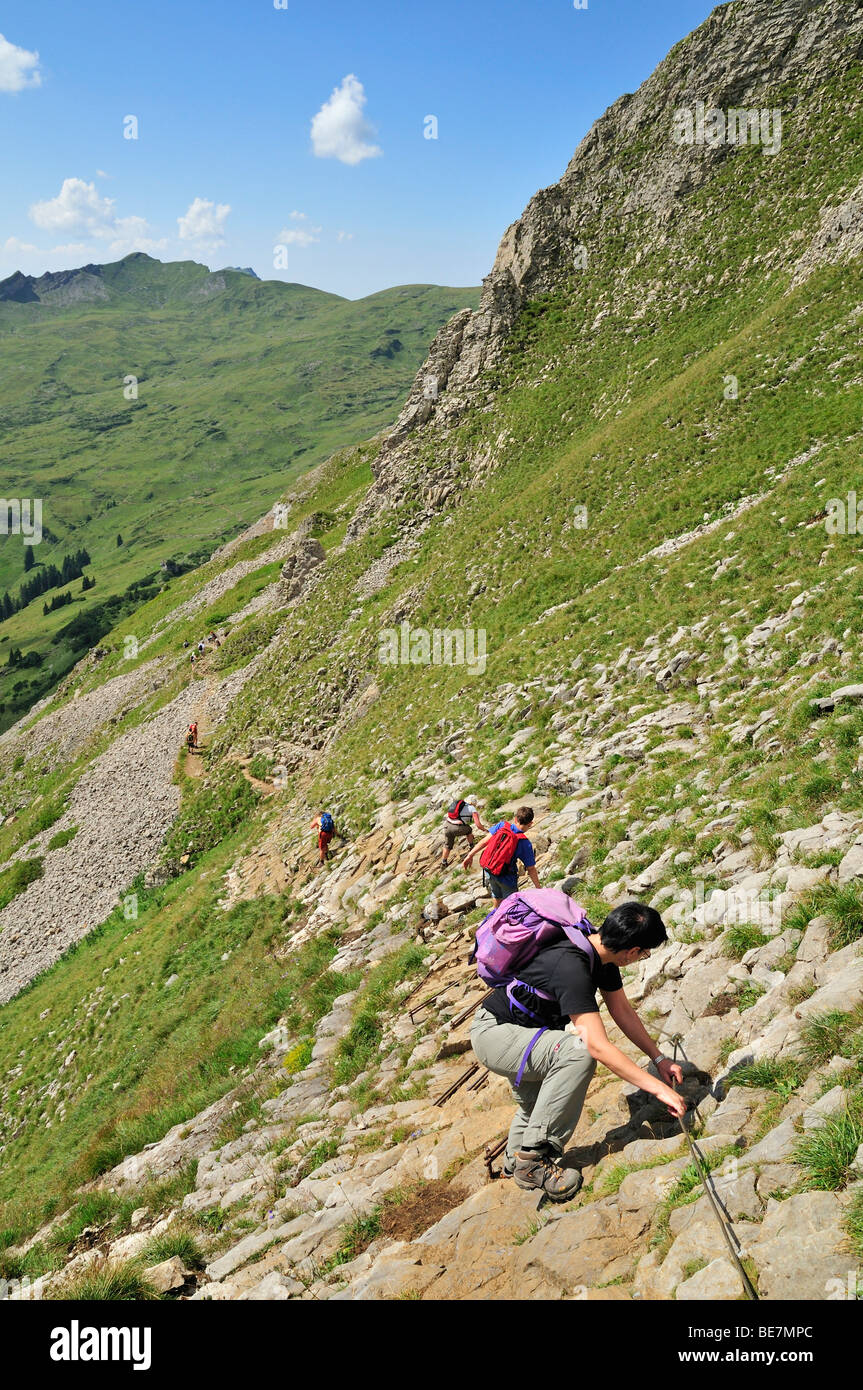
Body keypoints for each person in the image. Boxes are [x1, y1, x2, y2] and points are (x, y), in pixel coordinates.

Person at [471, 898, 687, 1202]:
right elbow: (596, 1046)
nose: (642, 957)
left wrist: (659, 1058)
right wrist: (659, 1090)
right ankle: (532, 1162)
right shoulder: (572, 967)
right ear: (633, 952)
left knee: (540, 1107)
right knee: (578, 1052)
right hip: (495, 1035)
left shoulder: (600, 953)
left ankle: (512, 1167)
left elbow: (621, 1010)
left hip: (523, 1032)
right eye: (645, 953)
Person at [463, 806, 540, 907]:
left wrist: (470, 855)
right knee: (511, 904)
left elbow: (484, 842)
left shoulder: (502, 825)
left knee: (496, 895)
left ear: (515, 819)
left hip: (488, 869)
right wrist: (538, 888)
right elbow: (530, 869)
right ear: (530, 824)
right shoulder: (524, 843)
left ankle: (495, 915)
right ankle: (506, 920)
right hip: (506, 876)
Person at [441, 797, 488, 867]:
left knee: (447, 845)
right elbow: (478, 825)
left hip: (447, 826)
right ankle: (471, 846)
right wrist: (485, 830)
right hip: (456, 828)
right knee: (469, 829)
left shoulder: (459, 806)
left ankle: (444, 862)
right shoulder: (472, 808)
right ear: (473, 803)